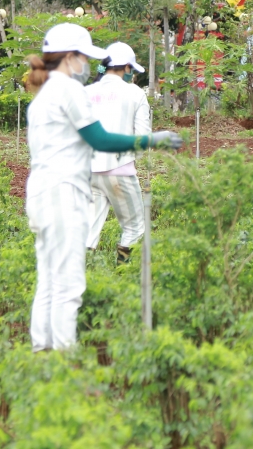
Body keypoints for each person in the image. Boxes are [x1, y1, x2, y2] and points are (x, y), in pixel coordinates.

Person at [23, 23, 181, 352]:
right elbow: (100, 139)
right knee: (69, 285)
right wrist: (152, 139)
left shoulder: (42, 95)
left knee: (49, 281)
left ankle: (41, 355)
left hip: (41, 192)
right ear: (70, 57)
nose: (85, 64)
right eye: (82, 56)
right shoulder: (68, 90)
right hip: (64, 193)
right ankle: (64, 360)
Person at [84, 42, 150, 263]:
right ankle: (123, 274)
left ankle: (81, 278)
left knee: (87, 231)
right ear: (127, 68)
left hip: (87, 172)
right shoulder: (135, 93)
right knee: (134, 227)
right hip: (120, 171)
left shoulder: (86, 92)